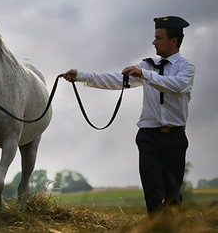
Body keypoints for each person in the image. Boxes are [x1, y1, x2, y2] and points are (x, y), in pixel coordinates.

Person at [63, 16, 196, 217]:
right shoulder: (147, 65)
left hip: (175, 138)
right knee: (152, 193)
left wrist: (144, 75)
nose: (154, 42)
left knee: (173, 195)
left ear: (173, 41)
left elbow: (177, 86)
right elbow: (117, 79)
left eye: (158, 38)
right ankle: (155, 230)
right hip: (148, 136)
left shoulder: (186, 68)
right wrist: (81, 75)